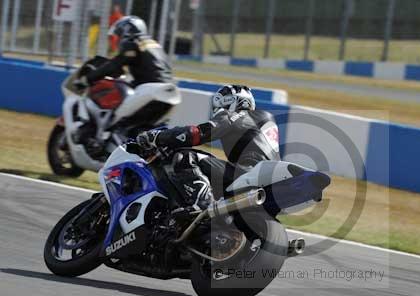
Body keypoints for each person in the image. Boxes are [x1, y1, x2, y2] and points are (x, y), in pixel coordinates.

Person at [136, 85, 281, 207]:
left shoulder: (237, 115)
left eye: (220, 106)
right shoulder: (265, 120)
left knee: (185, 158)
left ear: (233, 103)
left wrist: (158, 137)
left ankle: (203, 205)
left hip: (248, 174)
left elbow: (199, 133)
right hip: (272, 184)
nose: (218, 111)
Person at [77, 15, 174, 154]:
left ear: (126, 30)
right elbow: (154, 70)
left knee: (120, 124)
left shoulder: (133, 42)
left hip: (151, 90)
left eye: (119, 34)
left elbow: (114, 64)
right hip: (170, 92)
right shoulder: (154, 44)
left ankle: (104, 148)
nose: (118, 39)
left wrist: (89, 77)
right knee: (150, 127)